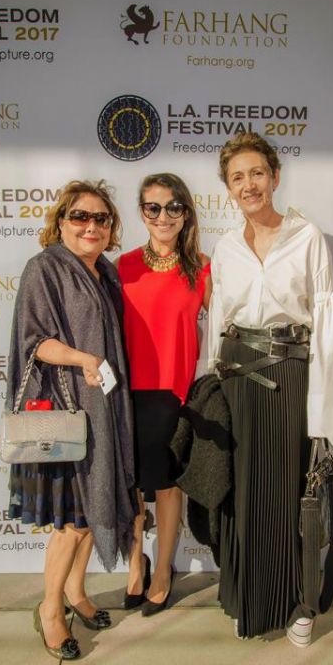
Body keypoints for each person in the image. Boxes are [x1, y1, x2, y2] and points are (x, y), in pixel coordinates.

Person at [207, 133, 333, 643]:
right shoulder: (226, 246)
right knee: (241, 489)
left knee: (291, 490)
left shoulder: (307, 237)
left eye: (256, 173)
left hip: (289, 373)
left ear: (274, 176)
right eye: (237, 178)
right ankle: (245, 598)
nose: (248, 185)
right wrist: (210, 382)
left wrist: (324, 409)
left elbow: (326, 324)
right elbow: (217, 319)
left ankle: (298, 604)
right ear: (229, 188)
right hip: (235, 374)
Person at [7, 180, 137, 659]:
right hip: (66, 413)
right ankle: (49, 610)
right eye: (80, 216)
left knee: (89, 512)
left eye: (101, 218)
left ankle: (76, 591)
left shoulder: (105, 273)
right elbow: (35, 342)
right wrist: (83, 359)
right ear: (61, 222)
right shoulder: (44, 268)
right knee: (72, 522)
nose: (91, 226)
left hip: (103, 410)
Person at [117, 173, 211, 616]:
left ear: (186, 212)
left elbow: (229, 323)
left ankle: (163, 572)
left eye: (173, 207)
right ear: (142, 212)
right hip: (127, 393)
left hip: (175, 394)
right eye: (153, 207)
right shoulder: (122, 266)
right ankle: (136, 563)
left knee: (169, 486)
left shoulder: (202, 268)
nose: (163, 216)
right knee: (132, 487)